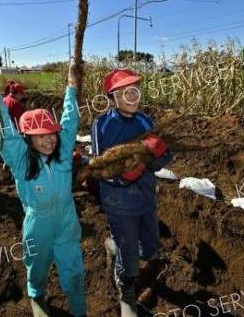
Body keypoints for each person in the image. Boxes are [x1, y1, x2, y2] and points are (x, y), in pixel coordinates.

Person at [0, 64, 87, 317]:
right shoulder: (20, 160)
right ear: (27, 137)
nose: (48, 139)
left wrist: (72, 85)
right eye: (40, 135)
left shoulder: (62, 154)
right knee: (37, 266)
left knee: (74, 271)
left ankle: (79, 310)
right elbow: (3, 129)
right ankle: (36, 294)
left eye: (51, 134)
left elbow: (70, 119)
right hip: (38, 224)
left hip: (67, 220)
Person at [91, 68, 173, 317]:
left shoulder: (146, 120)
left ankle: (115, 246)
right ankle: (126, 292)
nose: (133, 96)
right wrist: (123, 177)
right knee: (130, 261)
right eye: (126, 92)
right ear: (113, 97)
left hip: (146, 197)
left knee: (150, 250)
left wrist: (160, 153)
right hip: (118, 201)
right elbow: (98, 168)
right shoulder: (101, 125)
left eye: (136, 90)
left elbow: (162, 160)